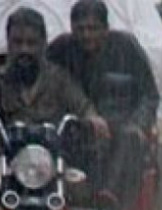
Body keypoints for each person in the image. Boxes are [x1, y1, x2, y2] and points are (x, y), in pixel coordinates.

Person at [48, 0, 159, 210]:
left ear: (106, 29)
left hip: (121, 132)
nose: (86, 35)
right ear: (72, 29)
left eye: (93, 28)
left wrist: (139, 124)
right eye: (80, 29)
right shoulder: (61, 49)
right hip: (75, 131)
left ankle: (108, 203)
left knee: (129, 140)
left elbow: (150, 95)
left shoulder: (127, 48)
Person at [0, 7, 106, 136]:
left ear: (43, 44)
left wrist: (94, 121)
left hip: (51, 152)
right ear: (8, 43)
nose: (24, 50)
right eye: (18, 42)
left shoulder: (59, 80)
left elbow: (83, 108)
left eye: (31, 43)